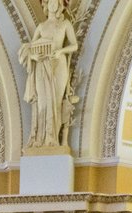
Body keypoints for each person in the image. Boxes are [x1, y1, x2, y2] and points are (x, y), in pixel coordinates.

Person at [19, 0, 78, 148]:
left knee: (56, 102)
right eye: (49, 1)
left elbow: (74, 45)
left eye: (55, 2)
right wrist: (33, 57)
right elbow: (30, 49)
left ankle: (53, 140)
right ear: (45, 5)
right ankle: (40, 138)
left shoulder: (65, 24)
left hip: (59, 65)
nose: (52, 4)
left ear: (60, 5)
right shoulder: (41, 27)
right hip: (42, 66)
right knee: (43, 102)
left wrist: (61, 51)